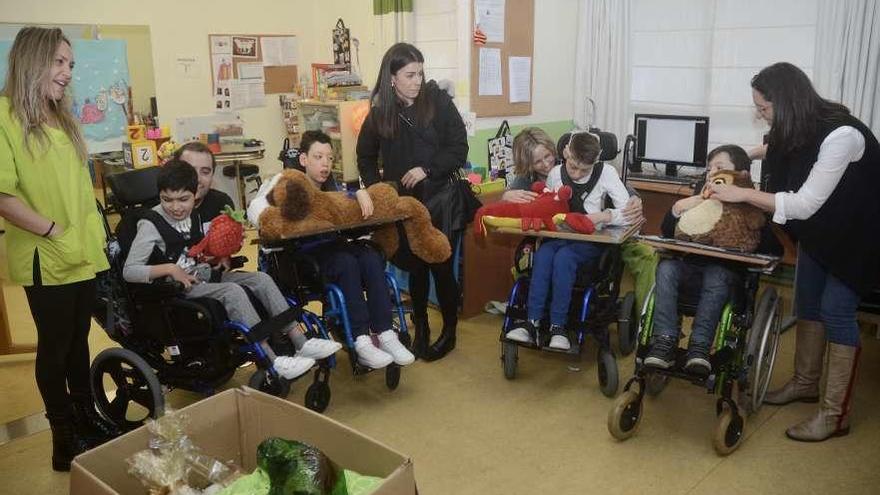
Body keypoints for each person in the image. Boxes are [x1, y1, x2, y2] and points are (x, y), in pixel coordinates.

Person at [706, 62, 880, 442]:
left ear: (786, 102)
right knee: (807, 301)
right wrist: (735, 158)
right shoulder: (800, 126)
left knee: (835, 309)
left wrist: (743, 192)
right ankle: (805, 383)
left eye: (763, 108)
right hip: (822, 233)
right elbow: (772, 148)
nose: (760, 114)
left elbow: (803, 204)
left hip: (859, 236)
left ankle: (835, 415)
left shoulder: (842, 135)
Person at [0, 26, 123, 471]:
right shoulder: (6, 117)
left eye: (70, 64)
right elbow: (3, 194)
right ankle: (62, 435)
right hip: (46, 254)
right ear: (32, 61)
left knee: (78, 343)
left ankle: (87, 417)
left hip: (81, 252)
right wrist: (52, 231)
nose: (67, 72)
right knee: (55, 346)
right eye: (58, 62)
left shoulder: (63, 118)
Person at [123, 161, 342, 380]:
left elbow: (193, 249)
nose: (176, 207)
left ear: (195, 195)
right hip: (179, 288)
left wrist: (218, 255)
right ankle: (272, 359)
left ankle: (300, 342)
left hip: (203, 275)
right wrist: (170, 269)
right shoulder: (150, 224)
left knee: (261, 279)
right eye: (167, 199)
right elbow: (130, 271)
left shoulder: (194, 216)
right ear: (160, 195)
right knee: (232, 291)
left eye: (183, 199)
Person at [248, 130, 415, 369]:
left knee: (369, 257)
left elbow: (344, 207)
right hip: (304, 255)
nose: (324, 163)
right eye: (318, 157)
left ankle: (386, 333)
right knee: (346, 262)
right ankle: (361, 339)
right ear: (304, 159)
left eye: (328, 158)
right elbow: (256, 210)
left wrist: (359, 193)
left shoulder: (334, 186)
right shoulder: (287, 182)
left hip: (334, 246)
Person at [357, 42, 468, 361]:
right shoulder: (380, 114)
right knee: (416, 268)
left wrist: (427, 169)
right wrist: (380, 191)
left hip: (439, 199)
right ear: (392, 78)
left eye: (420, 72)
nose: (418, 80)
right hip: (403, 204)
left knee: (442, 267)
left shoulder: (438, 102)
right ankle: (421, 327)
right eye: (410, 74)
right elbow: (364, 156)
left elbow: (459, 148)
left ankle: (449, 332)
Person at [644, 145, 781, 375]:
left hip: (727, 281)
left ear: (742, 175)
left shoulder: (752, 204)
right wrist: (678, 209)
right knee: (666, 268)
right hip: (690, 270)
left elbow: (773, 250)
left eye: (720, 168)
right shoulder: (700, 199)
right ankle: (664, 341)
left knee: (716, 273)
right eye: (709, 169)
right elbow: (669, 233)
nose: (712, 173)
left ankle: (700, 346)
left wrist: (751, 218)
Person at [505, 132, 632, 349]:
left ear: (597, 159)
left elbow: (628, 212)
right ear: (566, 153)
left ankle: (558, 326)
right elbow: (550, 205)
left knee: (564, 257)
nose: (577, 173)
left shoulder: (607, 173)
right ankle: (532, 321)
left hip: (590, 242)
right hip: (561, 236)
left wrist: (604, 216)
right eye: (573, 166)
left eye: (585, 169)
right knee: (544, 254)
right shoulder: (556, 173)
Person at [173, 141, 234, 224]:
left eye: (205, 172)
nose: (198, 179)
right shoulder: (159, 209)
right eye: (190, 171)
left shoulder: (222, 204)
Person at [501, 127, 557, 203]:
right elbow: (509, 196)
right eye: (538, 162)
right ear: (527, 165)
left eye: (547, 156)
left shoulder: (565, 165)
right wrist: (506, 196)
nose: (546, 164)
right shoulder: (526, 177)